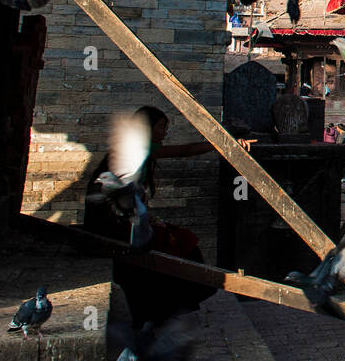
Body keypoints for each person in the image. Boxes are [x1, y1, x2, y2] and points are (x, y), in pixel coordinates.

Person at [84, 106, 251, 322]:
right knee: (178, 245)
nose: (165, 133)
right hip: (115, 226)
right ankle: (166, 307)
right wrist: (225, 142)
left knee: (180, 242)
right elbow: (186, 150)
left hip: (125, 222)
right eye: (162, 127)